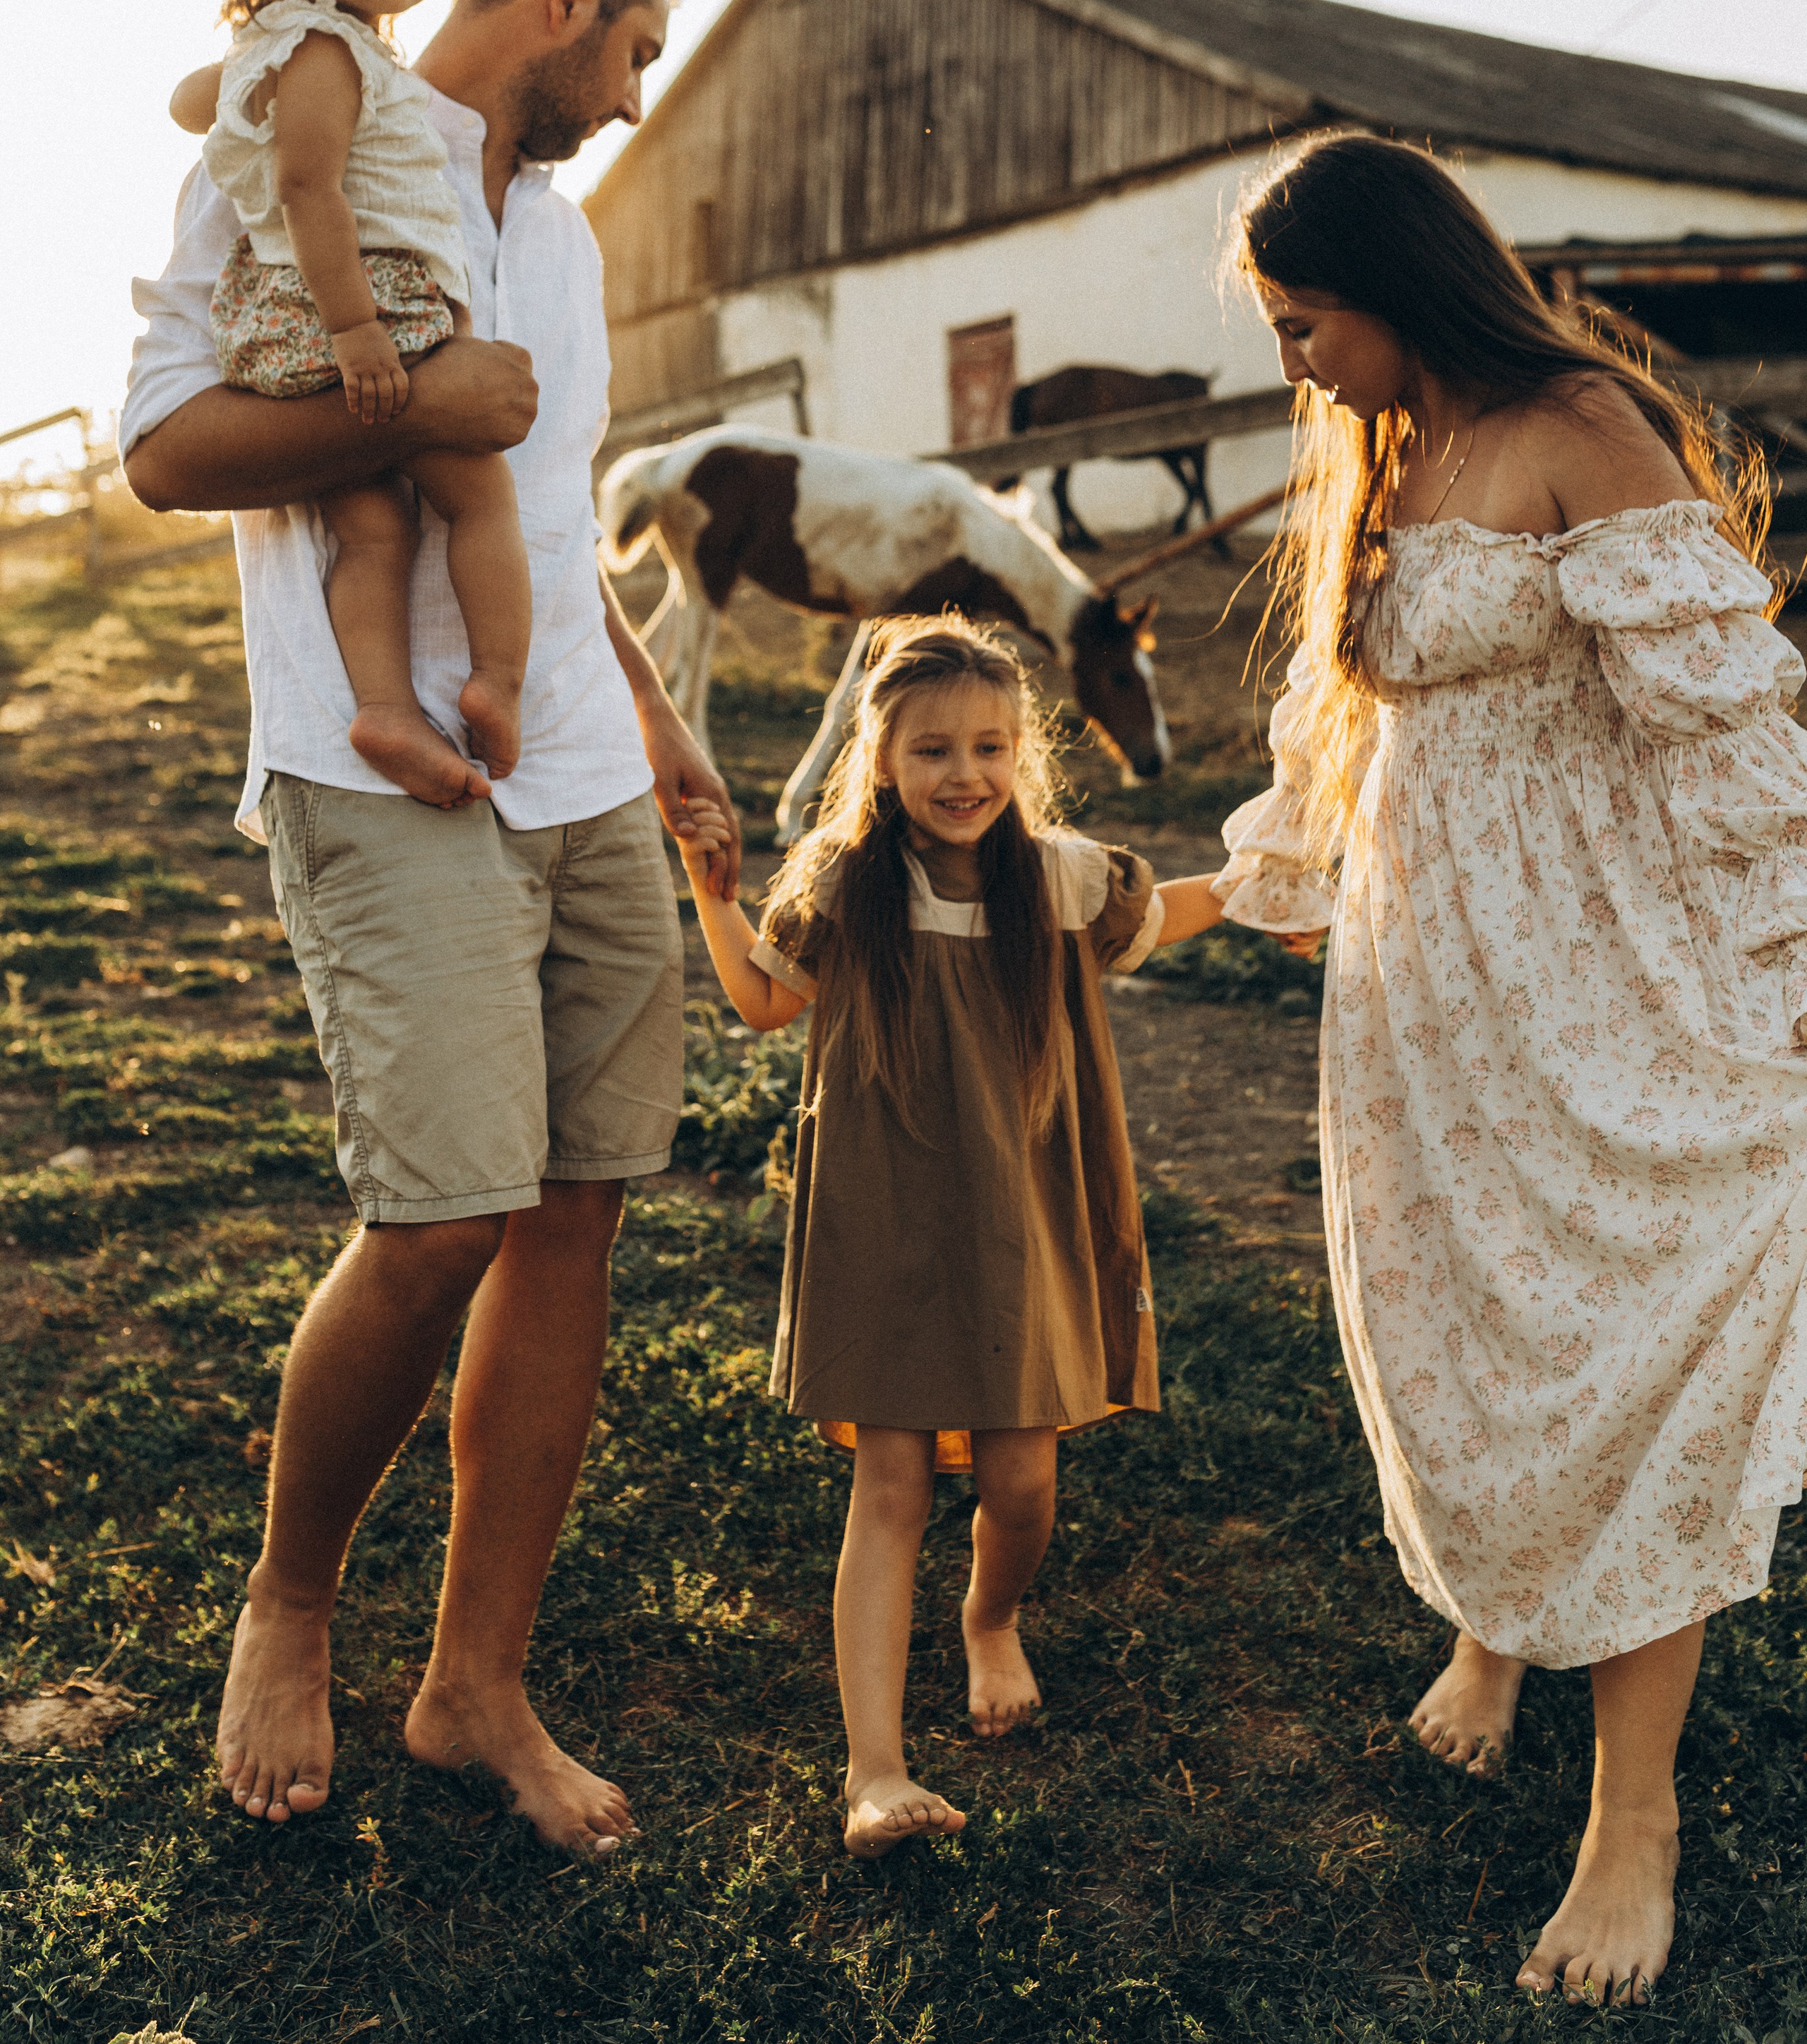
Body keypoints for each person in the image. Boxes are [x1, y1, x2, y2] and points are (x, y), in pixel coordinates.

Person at [121, 0, 741, 1855]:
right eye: (640, 45)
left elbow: (548, 516)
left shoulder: (558, 238)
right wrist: (424, 399)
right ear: (563, 0)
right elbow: (164, 453)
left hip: (576, 779)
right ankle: (290, 1606)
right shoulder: (304, 122)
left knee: (572, 1217)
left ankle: (476, 1685)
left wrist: (653, 727)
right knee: (439, 1223)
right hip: (382, 770)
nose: (642, 94)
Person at [1215, 128, 1807, 2005]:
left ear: (1392, 287)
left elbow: (1721, 711)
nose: (1297, 359)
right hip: (1427, 988)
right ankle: (1498, 1624)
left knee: (1619, 1341)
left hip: (1599, 970)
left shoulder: (1581, 423)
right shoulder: (1388, 449)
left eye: (1308, 323)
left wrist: (1792, 947)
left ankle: (1633, 1816)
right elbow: (1341, 714)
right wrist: (1255, 880)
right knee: (1465, 1319)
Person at [673, 614, 1228, 1857]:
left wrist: (1262, 891)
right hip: (884, 1222)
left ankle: (989, 1619)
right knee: (894, 1481)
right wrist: (711, 893)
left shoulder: (1061, 875)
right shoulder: (845, 883)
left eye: (988, 747)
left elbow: (1161, 915)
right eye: (931, 751)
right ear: (879, 761)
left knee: (1023, 1481)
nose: (963, 775)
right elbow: (763, 999)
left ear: (1022, 754)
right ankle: (875, 1770)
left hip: (1014, 1219)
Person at [169, 0, 532, 806]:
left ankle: (383, 707)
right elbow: (308, 190)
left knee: (372, 524)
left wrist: (243, 58)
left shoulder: (297, 47)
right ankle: (499, 681)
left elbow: (187, 106)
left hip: (288, 326)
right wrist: (360, 333)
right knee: (477, 494)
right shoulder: (327, 50)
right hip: (356, 309)